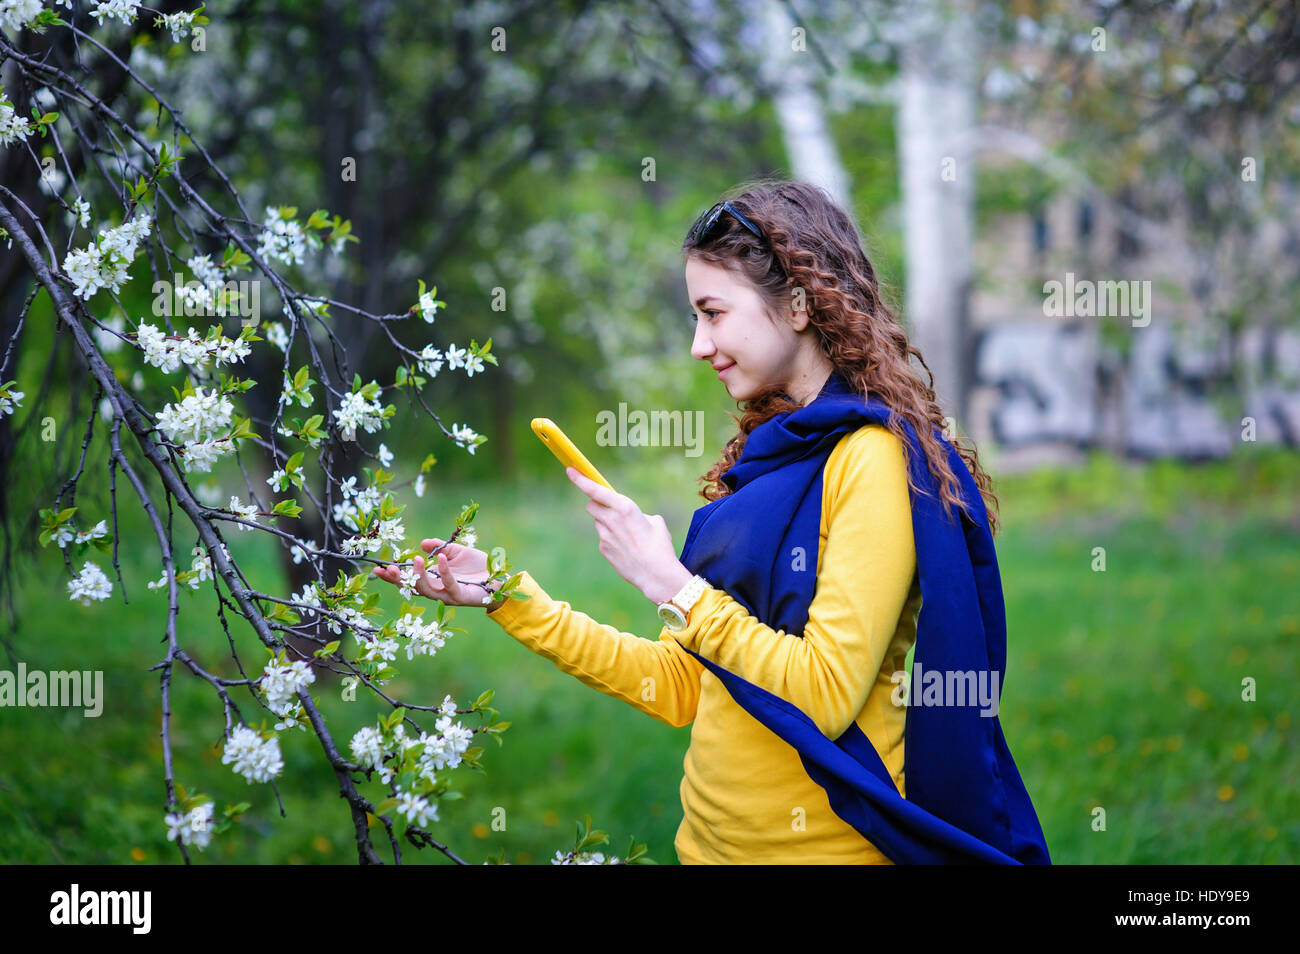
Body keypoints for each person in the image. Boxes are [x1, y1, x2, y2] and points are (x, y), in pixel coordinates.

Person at [373, 178, 1050, 865]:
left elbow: (823, 695)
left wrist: (673, 585)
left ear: (796, 305)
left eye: (713, 313)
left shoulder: (867, 459)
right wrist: (506, 595)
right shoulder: (770, 455)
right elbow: (681, 686)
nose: (699, 344)